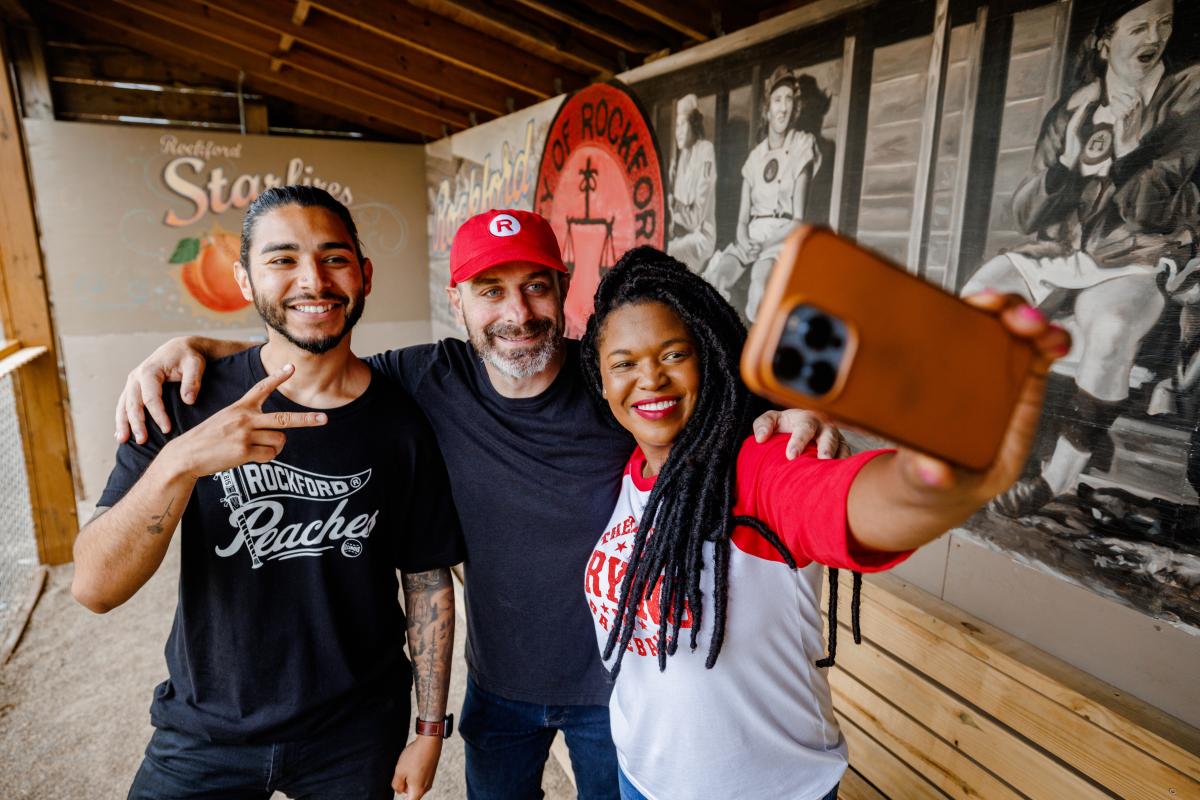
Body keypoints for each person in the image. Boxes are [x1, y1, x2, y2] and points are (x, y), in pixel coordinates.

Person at [113, 208, 844, 799]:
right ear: (456, 301)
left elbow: (706, 385)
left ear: (564, 290)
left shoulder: (615, 377)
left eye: (536, 286)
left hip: (617, 690)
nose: (517, 314)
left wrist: (784, 415)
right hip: (498, 688)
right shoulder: (424, 378)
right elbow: (309, 355)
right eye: (490, 291)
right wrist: (194, 347)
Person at [577, 247, 1069, 800]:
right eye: (624, 363)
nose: (650, 379)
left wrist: (933, 478)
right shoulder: (626, 469)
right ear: (600, 377)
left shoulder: (758, 464)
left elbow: (844, 503)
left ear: (710, 358)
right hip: (641, 779)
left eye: (674, 354)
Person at [74, 186, 464, 799]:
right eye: (282, 260)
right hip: (206, 730)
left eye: (334, 258)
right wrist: (181, 463)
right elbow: (94, 589)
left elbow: (425, 580)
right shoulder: (186, 398)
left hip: (356, 733)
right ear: (245, 282)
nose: (313, 280)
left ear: (363, 275)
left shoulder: (404, 419)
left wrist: (430, 728)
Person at [961, 0, 1198, 517]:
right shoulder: (1077, 105)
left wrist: (1132, 143)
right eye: (1139, 26)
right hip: (1065, 250)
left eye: (1164, 23)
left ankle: (1059, 476)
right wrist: (1068, 158)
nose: (1153, 35)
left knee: (1110, 327)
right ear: (1106, 41)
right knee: (975, 301)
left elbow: (1151, 211)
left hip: (1137, 253)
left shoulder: (1188, 93)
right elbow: (1026, 213)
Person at [703, 65, 822, 321]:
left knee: (760, 283)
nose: (783, 107)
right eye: (778, 100)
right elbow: (743, 220)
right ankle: (724, 347)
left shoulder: (803, 144)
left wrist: (765, 246)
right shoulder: (755, 158)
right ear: (767, 109)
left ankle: (753, 353)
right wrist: (745, 241)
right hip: (752, 235)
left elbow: (798, 219)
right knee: (714, 280)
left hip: (782, 235)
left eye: (789, 100)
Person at [666, 94, 717, 272]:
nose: (677, 131)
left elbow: (697, 216)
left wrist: (673, 204)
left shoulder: (705, 151)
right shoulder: (679, 159)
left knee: (665, 254)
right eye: (676, 126)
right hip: (679, 235)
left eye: (682, 124)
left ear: (694, 124)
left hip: (700, 237)